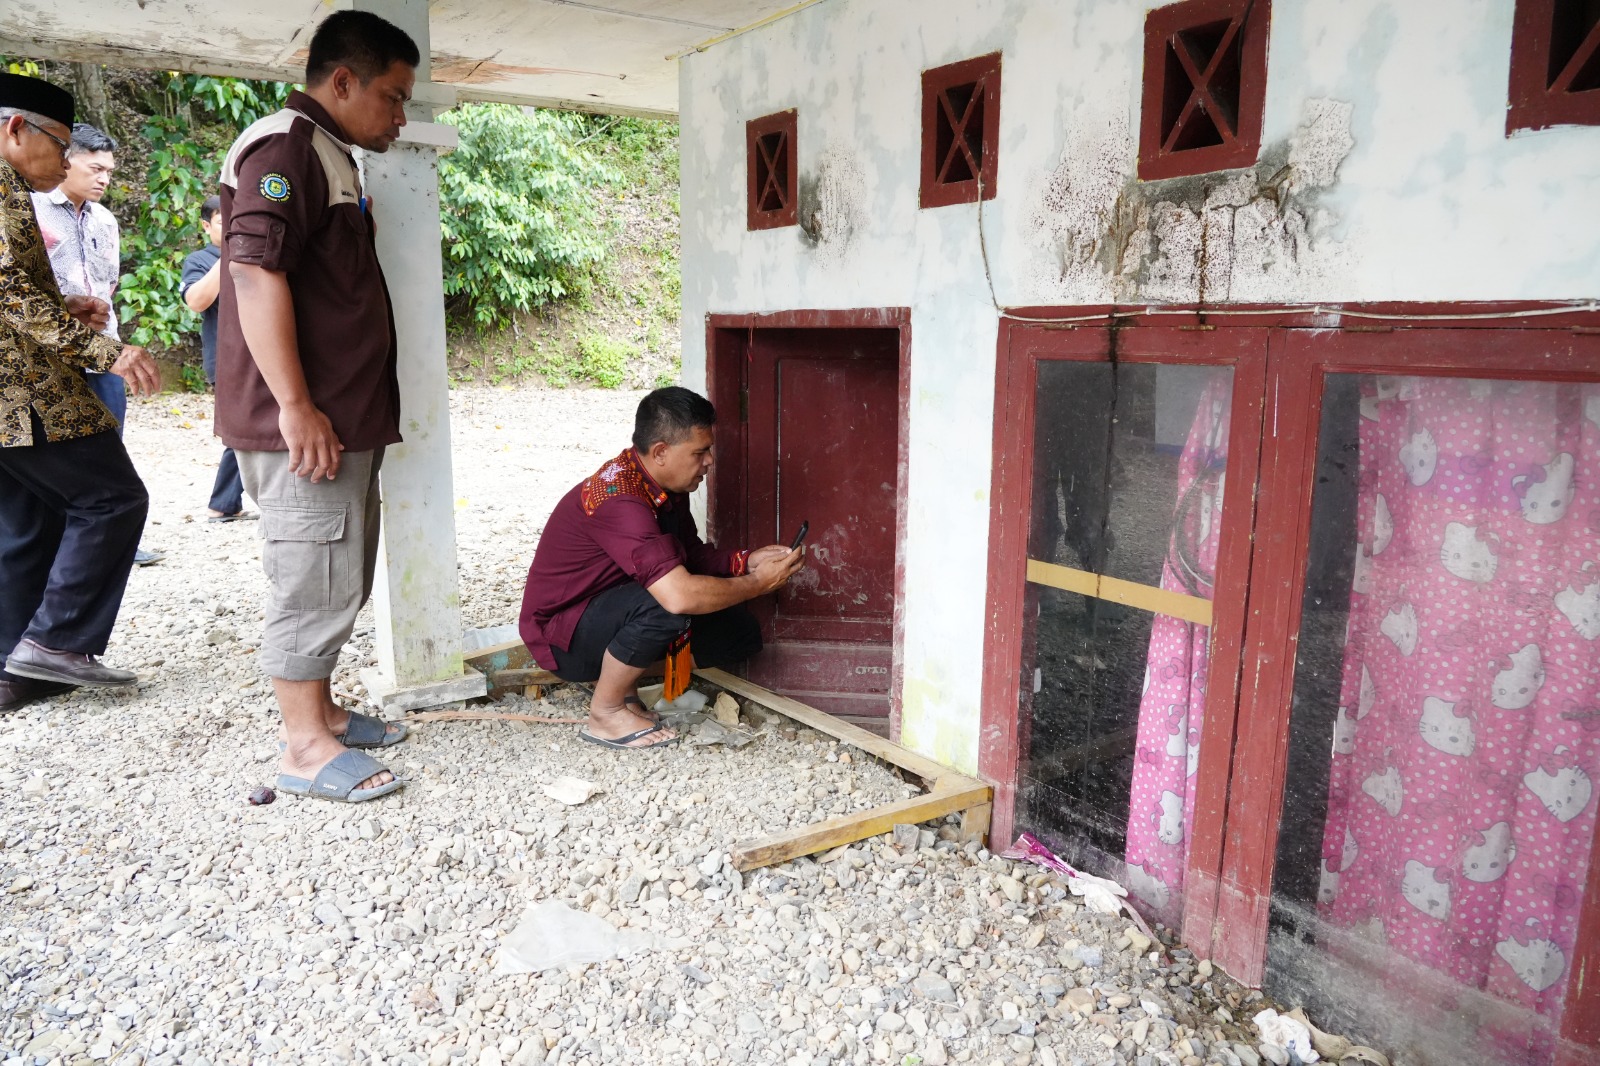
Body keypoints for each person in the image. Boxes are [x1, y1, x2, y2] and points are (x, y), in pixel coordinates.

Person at [216, 10, 418, 803]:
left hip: (342, 417)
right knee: (310, 576)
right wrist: (295, 406)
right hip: (305, 424)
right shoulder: (285, 148)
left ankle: (324, 713)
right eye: (394, 97)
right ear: (343, 81)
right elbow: (253, 273)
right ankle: (303, 748)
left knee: (341, 570)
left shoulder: (328, 152)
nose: (401, 116)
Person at [519, 387, 806, 750]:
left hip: (608, 612)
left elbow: (689, 554)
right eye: (700, 452)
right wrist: (758, 583)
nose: (709, 462)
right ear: (660, 452)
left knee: (737, 631)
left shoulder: (662, 485)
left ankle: (624, 688)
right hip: (563, 638)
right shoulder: (621, 500)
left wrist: (746, 561)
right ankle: (605, 712)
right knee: (666, 605)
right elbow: (678, 595)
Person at [0, 73, 160, 714]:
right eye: (59, 146)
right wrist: (108, 351)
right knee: (113, 499)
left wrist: (63, 303)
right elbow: (8, 294)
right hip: (24, 393)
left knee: (27, 523)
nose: (67, 162)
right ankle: (58, 644)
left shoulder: (15, 190)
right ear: (15, 129)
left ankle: (15, 669)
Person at [31, 122, 163, 564]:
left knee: (110, 448)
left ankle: (108, 541)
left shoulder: (105, 219)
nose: (104, 177)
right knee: (53, 457)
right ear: (66, 160)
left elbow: (107, 286)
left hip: (105, 357)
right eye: (95, 167)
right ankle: (55, 544)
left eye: (109, 170)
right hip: (50, 357)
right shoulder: (27, 210)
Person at [180, 194, 249, 522]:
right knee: (241, 430)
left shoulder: (256, 251)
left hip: (265, 356)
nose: (234, 227)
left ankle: (228, 503)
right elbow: (196, 300)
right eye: (225, 222)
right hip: (228, 359)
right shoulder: (199, 260)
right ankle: (221, 504)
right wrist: (229, 254)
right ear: (207, 226)